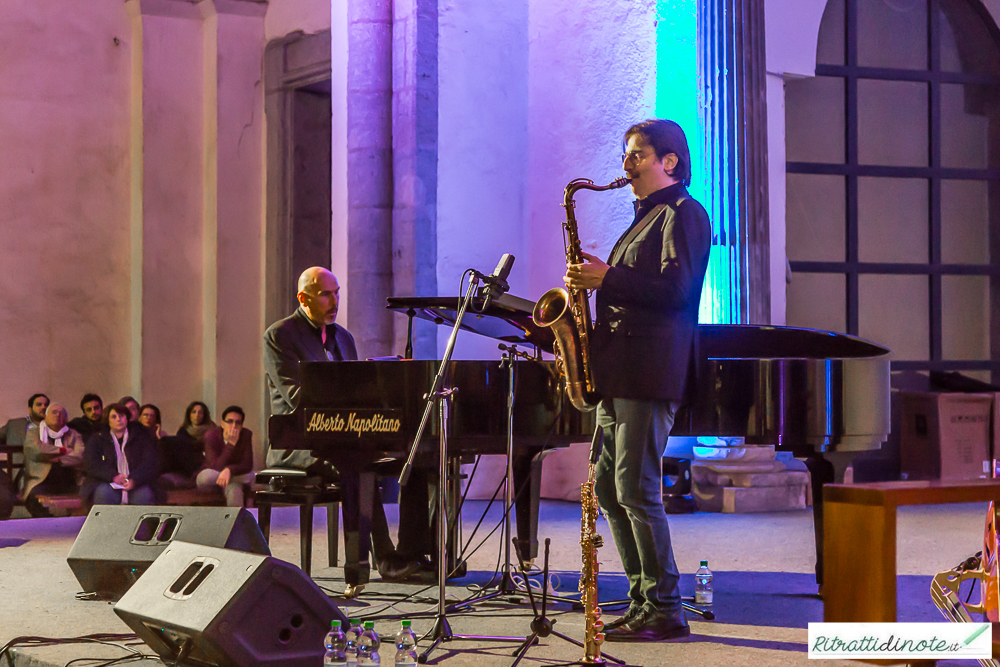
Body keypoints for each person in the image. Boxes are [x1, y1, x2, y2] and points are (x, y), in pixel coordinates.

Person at [564, 119, 711, 642]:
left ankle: (665, 607)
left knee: (636, 486)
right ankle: (642, 599)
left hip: (650, 371)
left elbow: (678, 291)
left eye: (636, 155)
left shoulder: (685, 214)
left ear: (668, 161)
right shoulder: (644, 217)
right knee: (608, 484)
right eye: (626, 155)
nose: (625, 164)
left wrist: (609, 277)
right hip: (620, 371)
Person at [264, 267, 432, 580]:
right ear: (304, 298)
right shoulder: (279, 336)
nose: (335, 300)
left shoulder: (343, 337)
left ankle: (414, 553)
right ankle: (384, 560)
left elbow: (355, 391)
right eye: (326, 294)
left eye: (337, 292)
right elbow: (295, 396)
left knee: (416, 459)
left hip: (346, 434)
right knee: (360, 464)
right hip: (300, 443)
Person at [81, 402, 159, 506]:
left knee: (143, 495)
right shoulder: (97, 439)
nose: (118, 419)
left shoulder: (141, 437)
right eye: (114, 417)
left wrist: (134, 479)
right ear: (108, 420)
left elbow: (150, 463)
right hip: (106, 481)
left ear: (127, 418)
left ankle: (141, 523)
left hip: (136, 481)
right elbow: (91, 463)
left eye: (121, 416)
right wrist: (113, 476)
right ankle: (106, 523)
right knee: (104, 493)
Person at [21, 403, 85, 517]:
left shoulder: (74, 434)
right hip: (41, 480)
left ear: (66, 419)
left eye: (62, 414)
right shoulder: (34, 433)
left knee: (86, 497)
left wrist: (58, 459)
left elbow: (80, 456)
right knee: (36, 500)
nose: (58, 415)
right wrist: (64, 451)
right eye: (54, 412)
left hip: (69, 480)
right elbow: (37, 452)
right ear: (45, 416)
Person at [0, 393, 50, 518]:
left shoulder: (54, 427)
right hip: (14, 475)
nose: (43, 407)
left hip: (41, 477)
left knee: (37, 499)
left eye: (46, 405)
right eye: (39, 404)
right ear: (29, 408)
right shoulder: (14, 425)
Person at [196, 405, 254, 507]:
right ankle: (247, 483)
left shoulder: (246, 434)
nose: (234, 426)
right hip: (212, 477)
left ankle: (236, 521)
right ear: (222, 423)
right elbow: (216, 466)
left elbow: (247, 464)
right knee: (205, 477)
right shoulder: (211, 436)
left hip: (232, 478)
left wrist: (229, 470)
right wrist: (231, 444)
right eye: (230, 421)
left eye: (238, 423)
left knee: (234, 488)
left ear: (241, 425)